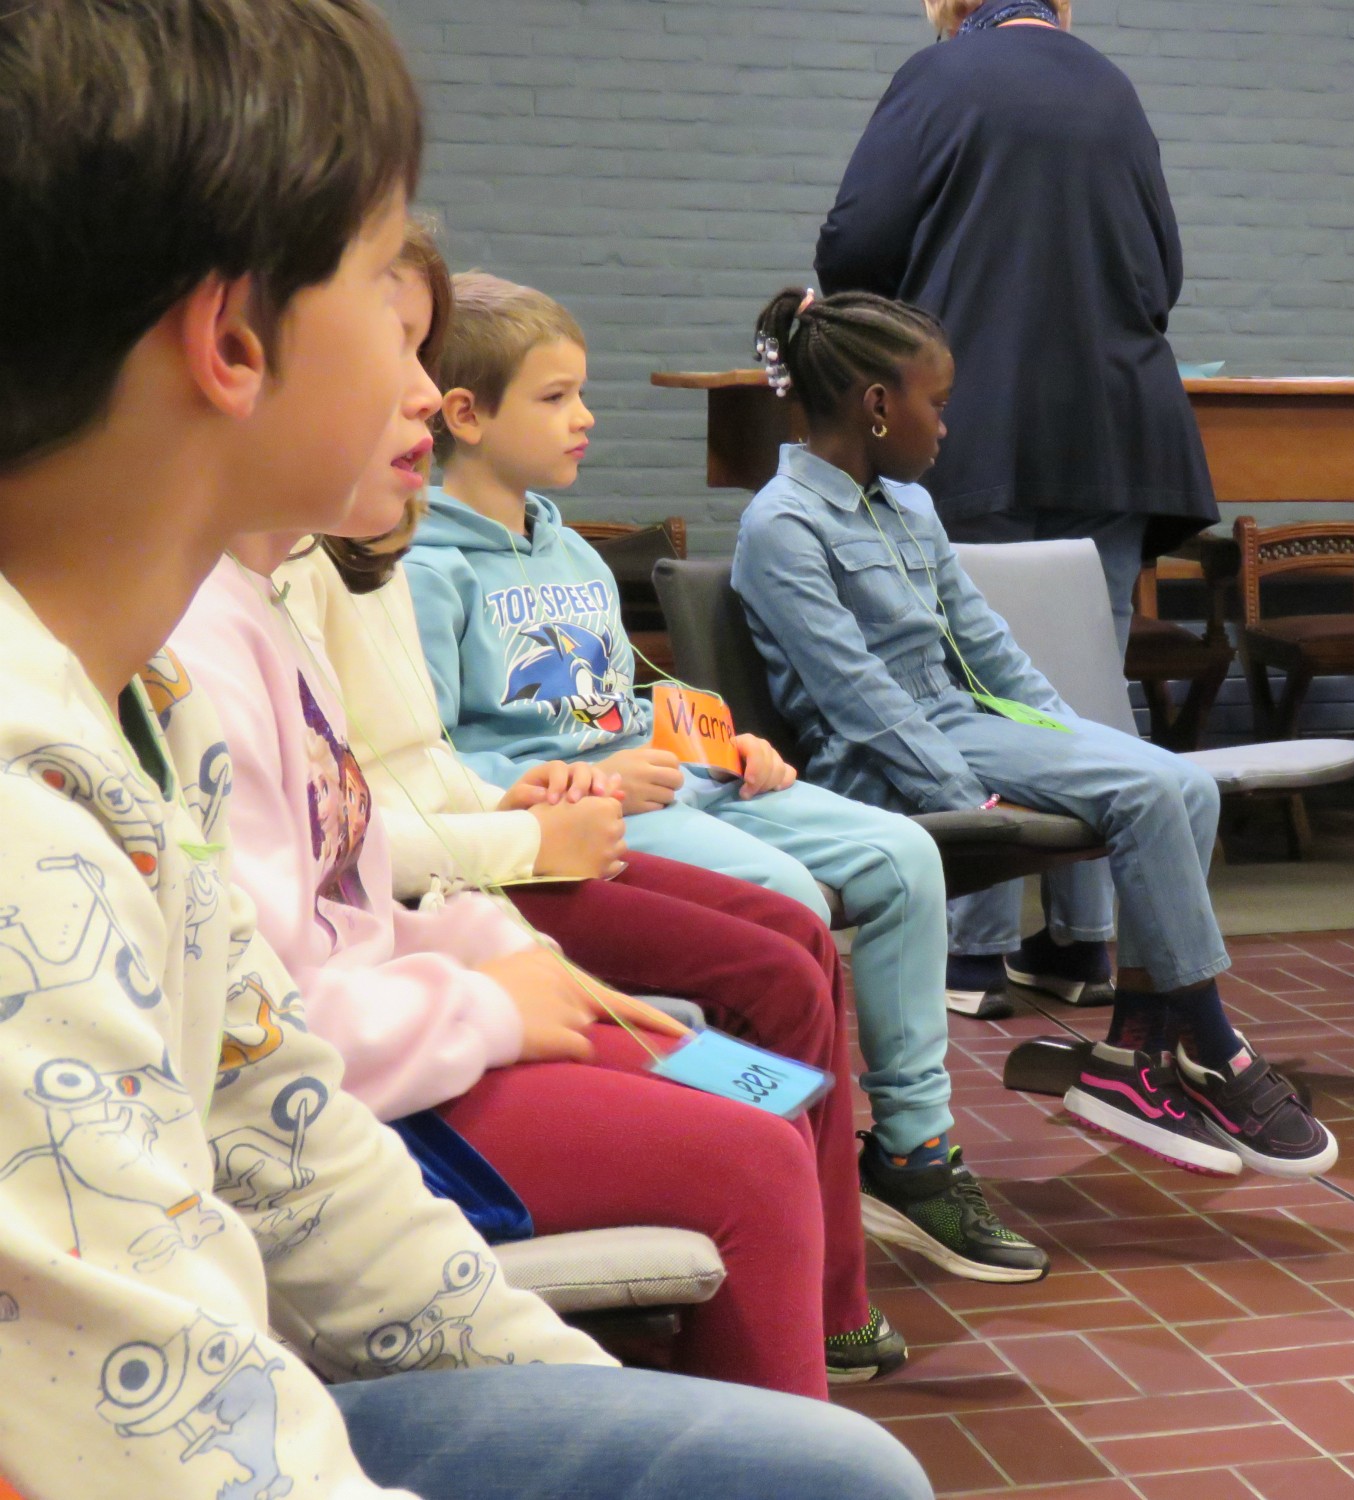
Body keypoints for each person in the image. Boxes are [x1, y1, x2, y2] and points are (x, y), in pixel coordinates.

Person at [0, 2, 931, 1498]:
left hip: (235, 1375)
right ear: (232, 340)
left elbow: (276, 1124)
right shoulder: (25, 805)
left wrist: (582, 1405)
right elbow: (160, 1433)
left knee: (816, 1470)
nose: (428, 384)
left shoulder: (142, 708)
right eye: (389, 292)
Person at [272, 225, 899, 1386]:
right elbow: (327, 904)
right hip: (427, 1015)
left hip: (473, 926)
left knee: (775, 1006)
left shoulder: (339, 567)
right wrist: (519, 854)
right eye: (395, 357)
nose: (415, 401)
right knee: (756, 1070)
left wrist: (518, 809)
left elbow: (395, 799)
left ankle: (821, 1285)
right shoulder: (314, 587)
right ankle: (810, 1305)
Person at [402, 273, 1050, 1288]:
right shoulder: (423, 566)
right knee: (781, 905)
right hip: (580, 813)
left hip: (669, 780)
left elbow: (618, 698)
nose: (586, 417)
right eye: (556, 397)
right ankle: (786, 1162)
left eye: (582, 392)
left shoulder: (566, 545)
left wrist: (718, 741)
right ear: (466, 416)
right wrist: (584, 776)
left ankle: (913, 1154)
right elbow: (433, 756)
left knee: (902, 854)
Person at [733, 287, 1337, 1184]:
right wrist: (969, 800)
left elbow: (987, 646)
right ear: (876, 406)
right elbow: (857, 698)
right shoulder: (780, 526)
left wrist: (1074, 743)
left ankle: (1136, 1052)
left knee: (1179, 780)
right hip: (884, 764)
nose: (945, 426)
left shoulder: (909, 508)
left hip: (971, 728)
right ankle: (1208, 1040)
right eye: (934, 404)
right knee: (1144, 792)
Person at [815, 0, 1221, 1012]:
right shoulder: (1111, 89)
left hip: (974, 422)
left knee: (954, 678)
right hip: (1115, 432)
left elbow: (854, 246)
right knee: (1082, 683)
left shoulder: (938, 76)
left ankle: (971, 951)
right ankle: (1083, 943)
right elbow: (1162, 272)